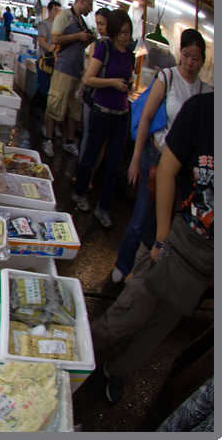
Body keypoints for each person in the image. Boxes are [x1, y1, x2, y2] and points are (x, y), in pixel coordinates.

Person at [91, 92, 213, 404]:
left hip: (202, 263)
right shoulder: (202, 110)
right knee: (127, 315)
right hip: (168, 238)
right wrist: (160, 239)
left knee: (155, 332)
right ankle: (77, 352)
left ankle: (117, 368)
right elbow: (167, 171)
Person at [111, 29, 213, 282]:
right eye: (186, 56)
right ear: (181, 54)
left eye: (196, 59)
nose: (190, 63)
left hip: (183, 171)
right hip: (155, 161)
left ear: (203, 62)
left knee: (170, 221)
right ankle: (123, 266)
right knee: (142, 215)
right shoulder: (167, 78)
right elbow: (145, 118)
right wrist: (135, 161)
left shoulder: (205, 91)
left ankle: (150, 274)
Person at [71, 9, 135, 228]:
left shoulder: (130, 54)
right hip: (101, 111)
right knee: (91, 154)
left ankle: (103, 208)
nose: (125, 37)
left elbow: (126, 78)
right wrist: (113, 83)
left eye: (129, 32)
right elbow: (89, 79)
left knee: (114, 164)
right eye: (122, 32)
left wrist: (126, 85)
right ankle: (79, 194)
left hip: (122, 115)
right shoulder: (104, 48)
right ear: (115, 30)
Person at [42, 0, 94, 157]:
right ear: (82, 2)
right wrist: (78, 36)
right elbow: (56, 39)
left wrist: (86, 39)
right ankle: (48, 140)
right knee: (55, 104)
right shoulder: (64, 16)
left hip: (78, 70)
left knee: (75, 109)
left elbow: (80, 46)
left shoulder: (81, 21)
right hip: (63, 68)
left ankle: (69, 142)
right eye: (90, 5)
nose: (91, 10)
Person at [33, 0, 61, 116]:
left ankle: (35, 108)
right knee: (44, 86)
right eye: (55, 10)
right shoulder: (45, 24)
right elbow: (41, 41)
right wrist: (52, 50)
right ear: (49, 10)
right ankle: (35, 109)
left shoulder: (58, 26)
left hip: (52, 62)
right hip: (44, 61)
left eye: (59, 11)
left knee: (45, 86)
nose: (57, 13)